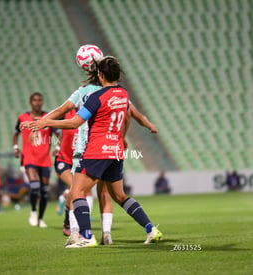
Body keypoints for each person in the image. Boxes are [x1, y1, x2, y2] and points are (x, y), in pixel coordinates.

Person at [22, 49, 158, 246]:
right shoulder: (123, 94)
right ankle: (150, 229)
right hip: (116, 151)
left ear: (99, 74)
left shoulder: (93, 96)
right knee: (118, 195)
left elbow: (74, 122)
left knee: (76, 192)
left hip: (94, 150)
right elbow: (131, 116)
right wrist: (132, 133)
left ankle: (85, 236)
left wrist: (45, 123)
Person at [13, 92, 60, 228]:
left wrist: (58, 147)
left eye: (40, 100)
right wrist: (16, 147)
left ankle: (41, 218)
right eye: (35, 100)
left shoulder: (48, 118)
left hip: (44, 159)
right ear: (30, 102)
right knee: (35, 186)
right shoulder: (23, 118)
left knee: (44, 191)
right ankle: (33, 211)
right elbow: (16, 133)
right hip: (29, 158)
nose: (37, 102)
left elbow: (59, 134)